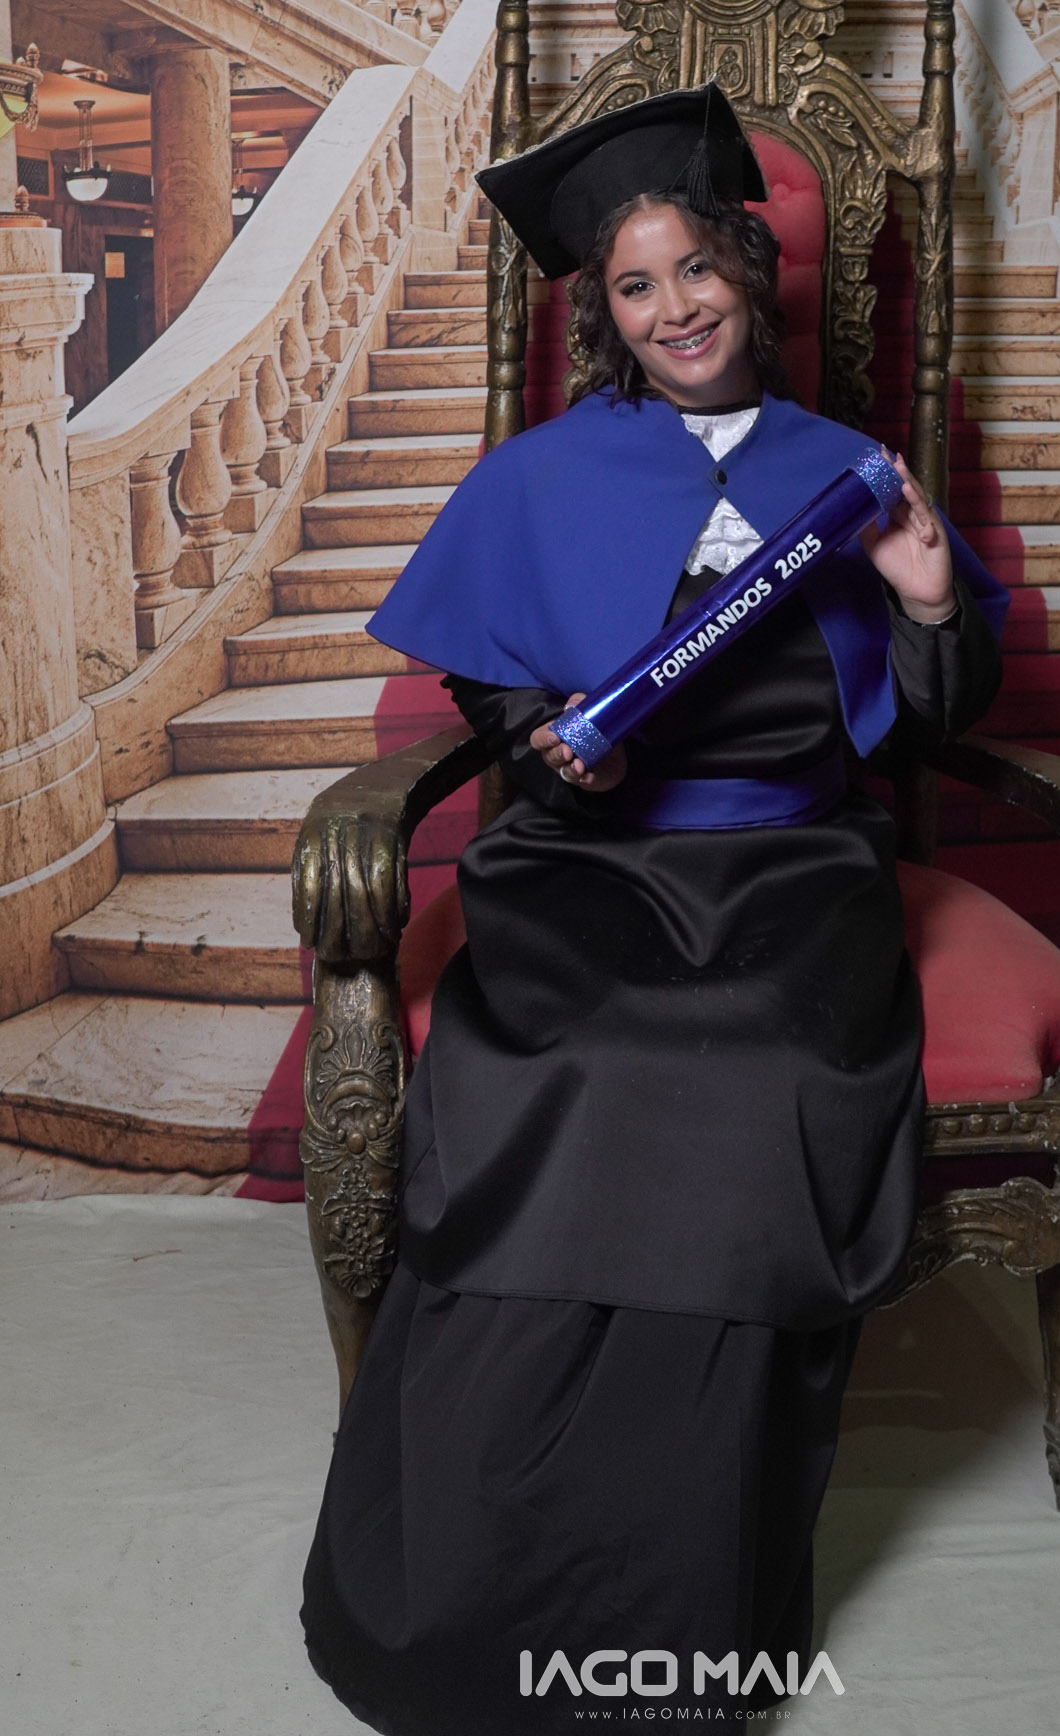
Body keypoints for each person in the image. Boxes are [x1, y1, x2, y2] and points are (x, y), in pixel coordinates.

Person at [300, 85, 1002, 1735]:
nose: (674, 306)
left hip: (792, 869)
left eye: (695, 269)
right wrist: (552, 748)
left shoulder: (848, 476)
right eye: (634, 284)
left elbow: (936, 716)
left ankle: (682, 1579)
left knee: (753, 1059)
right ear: (601, 315)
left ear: (749, 273)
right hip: (591, 868)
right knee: (571, 1056)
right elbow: (497, 693)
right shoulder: (542, 476)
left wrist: (924, 598)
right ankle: (481, 1565)